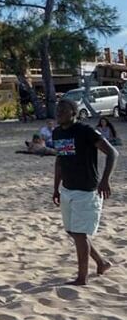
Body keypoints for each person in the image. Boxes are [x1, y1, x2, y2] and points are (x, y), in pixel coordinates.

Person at [52, 99, 116, 285]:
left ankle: (82, 278)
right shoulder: (57, 133)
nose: (59, 113)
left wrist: (105, 180)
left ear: (73, 112)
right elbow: (59, 162)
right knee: (73, 231)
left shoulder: (85, 131)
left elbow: (112, 153)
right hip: (67, 190)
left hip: (87, 191)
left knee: (80, 234)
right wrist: (56, 188)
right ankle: (101, 263)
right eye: (57, 110)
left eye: (63, 110)